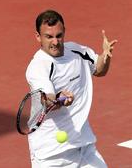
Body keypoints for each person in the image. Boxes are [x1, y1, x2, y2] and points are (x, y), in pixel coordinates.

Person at [25, 10, 117, 168]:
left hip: (83, 146)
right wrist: (59, 98)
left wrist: (106, 55)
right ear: (38, 37)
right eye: (49, 37)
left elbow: (99, 70)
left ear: (64, 32)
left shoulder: (77, 51)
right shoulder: (38, 67)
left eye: (58, 35)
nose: (55, 42)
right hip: (51, 155)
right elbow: (47, 99)